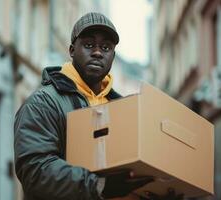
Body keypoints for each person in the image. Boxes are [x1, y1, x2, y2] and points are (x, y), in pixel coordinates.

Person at [14, 12, 183, 200]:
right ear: (71, 50)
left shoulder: (121, 109)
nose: (97, 52)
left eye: (105, 47)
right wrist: (99, 185)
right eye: (89, 45)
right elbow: (35, 171)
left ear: (113, 56)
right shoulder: (43, 103)